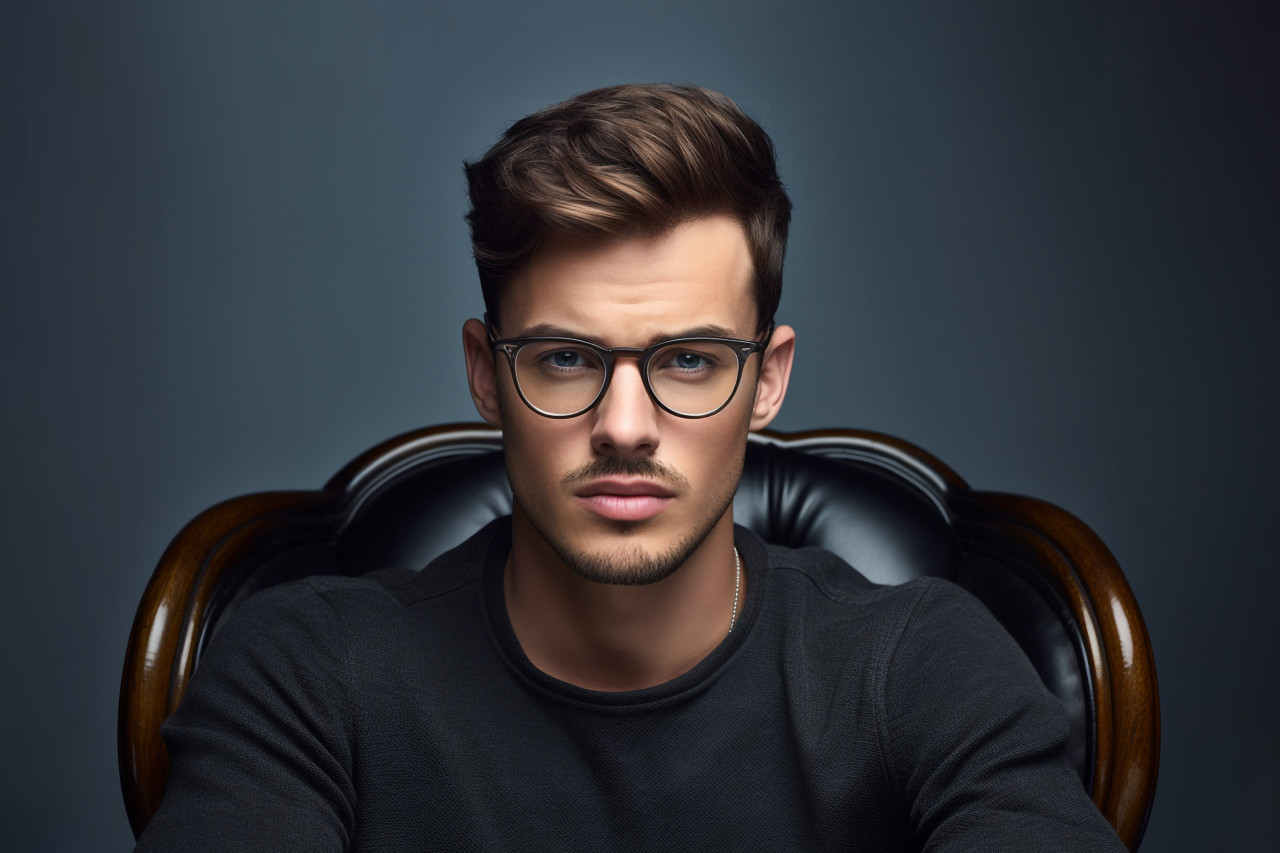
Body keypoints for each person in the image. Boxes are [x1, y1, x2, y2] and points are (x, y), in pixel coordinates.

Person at [135, 84, 1126, 851]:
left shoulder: (921, 664)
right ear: (485, 374)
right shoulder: (308, 670)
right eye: (565, 358)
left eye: (688, 360)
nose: (624, 426)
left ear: (767, 380)